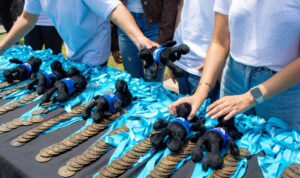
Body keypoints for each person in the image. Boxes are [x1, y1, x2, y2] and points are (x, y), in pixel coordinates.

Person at [169, 0, 300, 128]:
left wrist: (249, 98)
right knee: (227, 143)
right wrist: (201, 92)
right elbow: (219, 42)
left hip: (283, 90)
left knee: (276, 147)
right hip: (233, 80)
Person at [0, 0, 158, 67]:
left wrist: (139, 38)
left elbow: (114, 9)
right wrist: (1, 47)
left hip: (95, 51)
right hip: (72, 51)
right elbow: (27, 19)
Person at [111, 0, 179, 82]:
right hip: (125, 22)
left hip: (156, 24)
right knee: (133, 82)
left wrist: (165, 38)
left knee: (153, 80)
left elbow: (171, 3)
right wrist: (114, 40)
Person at [171, 0, 219, 98]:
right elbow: (182, 7)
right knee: (183, 111)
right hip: (182, 61)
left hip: (205, 66)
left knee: (205, 112)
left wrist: (219, 64)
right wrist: (174, 52)